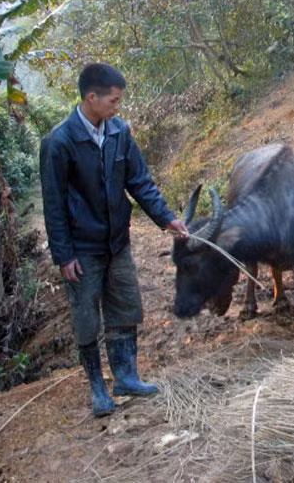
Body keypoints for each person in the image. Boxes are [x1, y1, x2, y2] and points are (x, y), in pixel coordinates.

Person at [40, 63, 189, 417]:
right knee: (86, 317)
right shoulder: (59, 142)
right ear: (91, 97)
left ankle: (126, 377)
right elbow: (54, 205)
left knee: (125, 307)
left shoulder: (119, 132)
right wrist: (64, 255)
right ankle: (97, 388)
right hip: (82, 248)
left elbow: (139, 181)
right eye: (114, 100)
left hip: (117, 242)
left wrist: (166, 218)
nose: (118, 107)